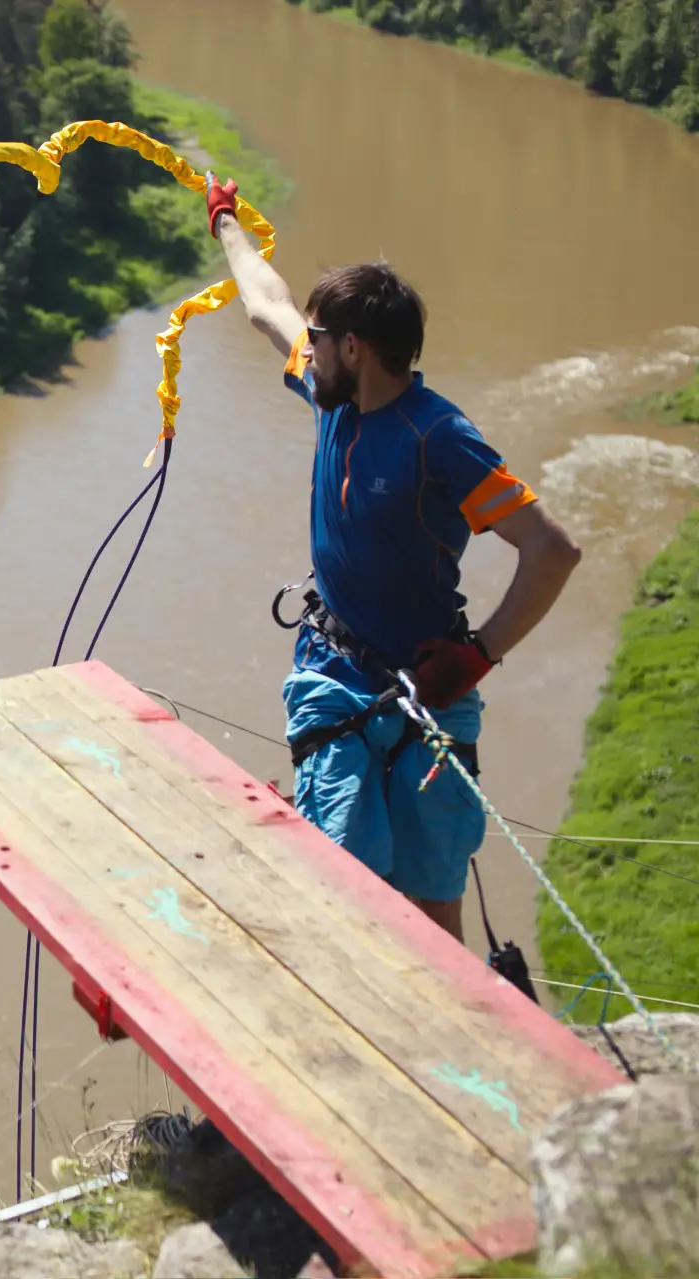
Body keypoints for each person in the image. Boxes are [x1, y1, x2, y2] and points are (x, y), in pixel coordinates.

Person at [207, 173, 581, 941]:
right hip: (334, 675)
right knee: (344, 896)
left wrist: (477, 656)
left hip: (429, 692)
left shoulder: (439, 437)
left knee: (434, 911)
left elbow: (552, 550)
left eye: (317, 338)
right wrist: (225, 221)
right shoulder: (329, 396)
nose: (305, 349)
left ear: (354, 347)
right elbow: (266, 304)